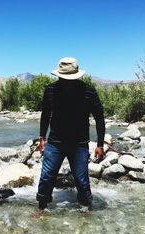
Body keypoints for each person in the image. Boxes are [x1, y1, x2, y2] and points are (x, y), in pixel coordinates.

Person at [36, 57, 105, 212]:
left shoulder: (89, 92)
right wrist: (42, 138)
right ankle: (42, 208)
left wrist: (100, 144)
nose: (67, 82)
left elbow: (99, 118)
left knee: (81, 180)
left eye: (70, 79)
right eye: (64, 78)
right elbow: (45, 115)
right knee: (47, 176)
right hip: (55, 143)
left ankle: (86, 208)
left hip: (79, 144)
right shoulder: (50, 90)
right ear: (59, 76)